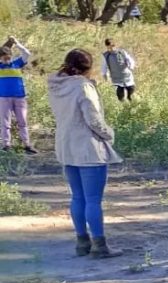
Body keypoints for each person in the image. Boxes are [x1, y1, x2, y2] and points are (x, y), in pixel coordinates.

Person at [48, 49, 124, 258]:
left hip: (66, 146)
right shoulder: (83, 87)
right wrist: (109, 134)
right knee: (92, 200)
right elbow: (93, 120)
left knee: (78, 197)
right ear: (87, 68)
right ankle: (100, 245)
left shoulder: (56, 86)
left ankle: (82, 242)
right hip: (88, 148)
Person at [0, 36, 35, 153]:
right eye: (4, 58)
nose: (7, 60)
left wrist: (16, 43)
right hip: (4, 98)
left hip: (20, 97)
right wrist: (7, 45)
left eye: (8, 57)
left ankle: (27, 144)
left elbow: (27, 53)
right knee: (5, 122)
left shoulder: (17, 63)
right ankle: (6, 145)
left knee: (23, 122)